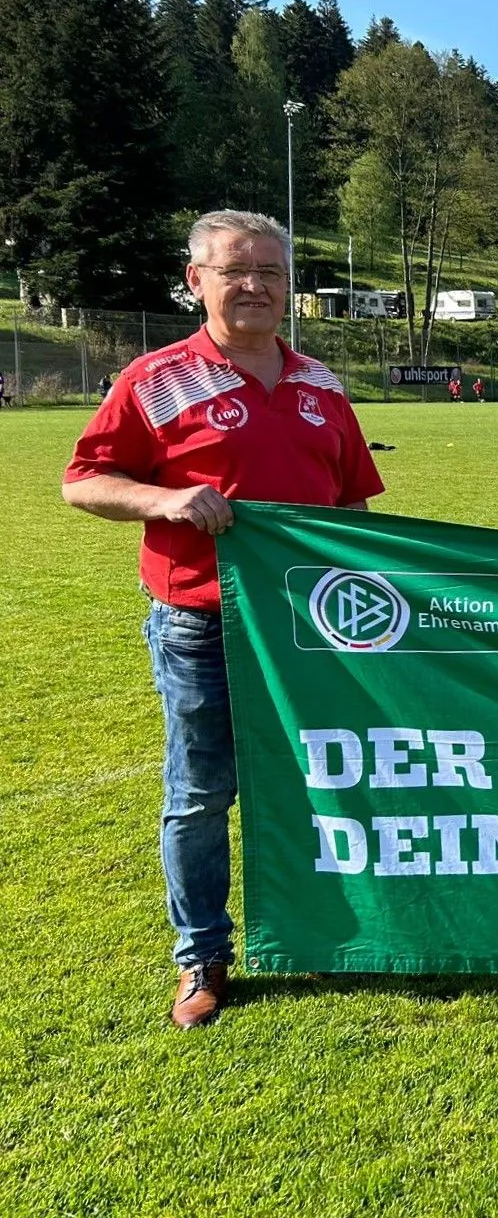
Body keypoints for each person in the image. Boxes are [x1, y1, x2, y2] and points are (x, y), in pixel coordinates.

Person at [61, 210, 384, 1030]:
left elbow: (353, 505)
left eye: (270, 272)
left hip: (311, 624)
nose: (255, 286)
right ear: (195, 280)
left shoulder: (321, 383)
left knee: (321, 777)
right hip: (201, 622)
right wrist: (165, 499)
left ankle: (319, 931)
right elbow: (83, 481)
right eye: (235, 270)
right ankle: (201, 955)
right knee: (202, 793)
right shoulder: (157, 379)